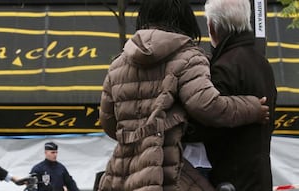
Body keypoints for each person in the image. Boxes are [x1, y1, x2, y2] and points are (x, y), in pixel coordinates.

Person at [96, 0, 270, 190]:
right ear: (186, 20)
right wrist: (252, 108)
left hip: (126, 171)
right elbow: (207, 105)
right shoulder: (189, 57)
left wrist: (137, 136)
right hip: (174, 171)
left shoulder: (118, 64)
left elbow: (109, 122)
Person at [194, 0, 277, 190]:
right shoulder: (262, 64)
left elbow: (210, 124)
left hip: (231, 181)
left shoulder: (223, 69)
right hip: (260, 177)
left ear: (212, 27)